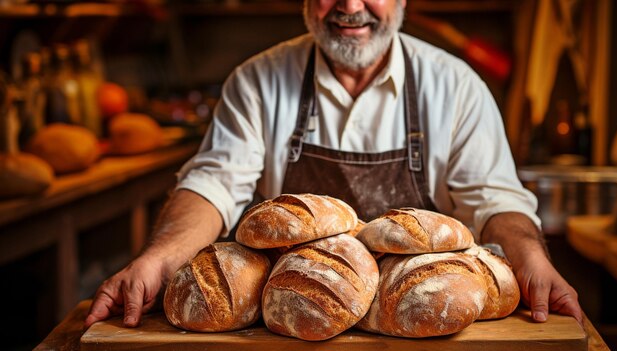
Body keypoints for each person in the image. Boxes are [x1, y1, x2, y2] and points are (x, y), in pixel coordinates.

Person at [84, 0, 582, 329]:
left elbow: (494, 198)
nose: (350, 5)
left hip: (418, 324)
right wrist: (158, 259)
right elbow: (213, 184)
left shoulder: (454, 86)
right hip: (297, 322)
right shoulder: (257, 81)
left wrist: (530, 259)